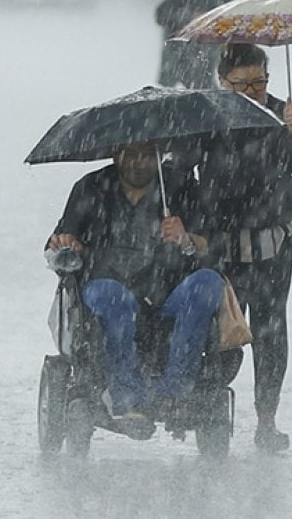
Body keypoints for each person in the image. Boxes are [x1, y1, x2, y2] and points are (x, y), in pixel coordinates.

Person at [45, 141, 224, 423]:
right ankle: (128, 397)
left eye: (146, 154)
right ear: (115, 152)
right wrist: (66, 243)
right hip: (108, 286)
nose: (138, 162)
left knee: (208, 282)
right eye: (130, 153)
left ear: (158, 155)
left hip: (167, 294)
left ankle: (174, 393)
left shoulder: (182, 186)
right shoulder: (90, 188)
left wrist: (185, 239)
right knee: (111, 297)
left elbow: (212, 246)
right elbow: (58, 241)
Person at [196, 43, 292, 452]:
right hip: (223, 250)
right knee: (224, 332)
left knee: (271, 330)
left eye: (260, 82)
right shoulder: (207, 116)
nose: (253, 91)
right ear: (222, 81)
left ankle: (267, 420)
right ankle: (212, 413)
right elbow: (180, 169)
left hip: (273, 248)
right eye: (242, 84)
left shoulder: (283, 116)